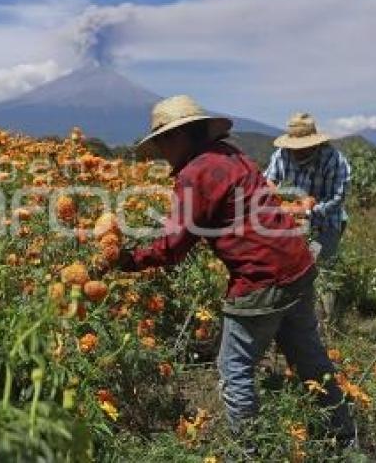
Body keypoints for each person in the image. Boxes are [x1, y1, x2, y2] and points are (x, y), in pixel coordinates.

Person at [110, 95, 355, 450]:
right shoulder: (230, 152)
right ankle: (345, 439)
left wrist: (126, 260)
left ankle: (251, 451)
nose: (162, 152)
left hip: (261, 279)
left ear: (180, 137)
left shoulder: (195, 174)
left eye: (163, 141)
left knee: (234, 372)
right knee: (310, 359)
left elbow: (173, 247)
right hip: (297, 264)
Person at [264, 113, 351, 318]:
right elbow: (268, 182)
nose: (298, 151)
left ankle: (326, 320)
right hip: (291, 223)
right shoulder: (282, 155)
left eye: (303, 147)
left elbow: (336, 199)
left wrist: (306, 211)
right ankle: (295, 317)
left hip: (325, 222)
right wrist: (275, 200)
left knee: (320, 270)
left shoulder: (334, 160)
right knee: (291, 271)